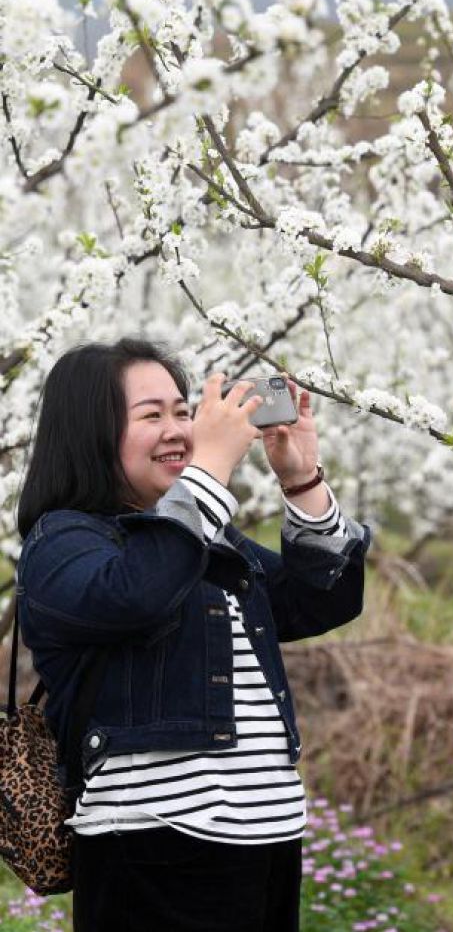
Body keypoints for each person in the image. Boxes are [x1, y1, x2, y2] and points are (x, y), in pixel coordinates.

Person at [16, 338, 369, 932]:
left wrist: (302, 481)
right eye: (152, 415)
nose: (181, 430)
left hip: (268, 833)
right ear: (88, 433)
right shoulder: (62, 543)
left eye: (184, 411)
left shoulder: (207, 538)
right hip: (155, 842)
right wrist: (209, 471)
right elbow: (137, 594)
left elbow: (320, 601)